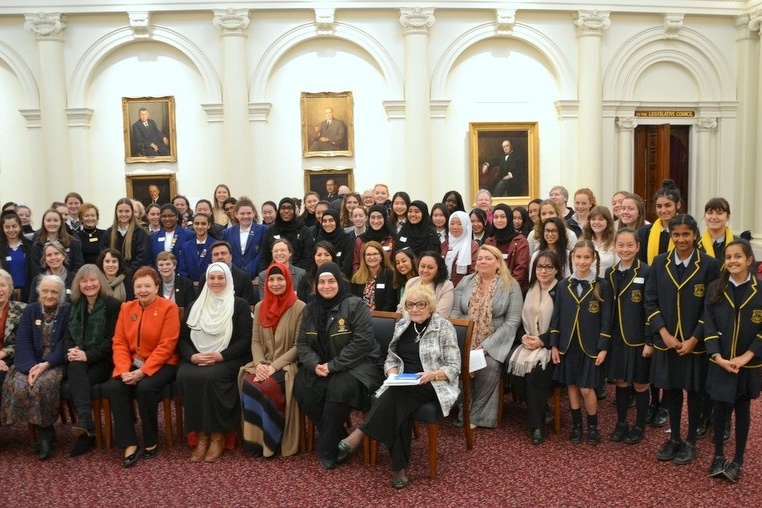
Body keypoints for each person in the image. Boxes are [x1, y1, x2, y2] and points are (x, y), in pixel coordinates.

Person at [340, 285, 461, 488]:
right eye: (410, 304)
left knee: (396, 396)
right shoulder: (403, 325)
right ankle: (399, 468)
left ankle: (361, 432)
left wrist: (433, 374)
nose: (414, 309)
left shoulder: (444, 327)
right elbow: (391, 357)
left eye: (420, 304)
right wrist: (392, 372)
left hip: (433, 382)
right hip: (403, 382)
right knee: (399, 403)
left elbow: (454, 366)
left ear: (430, 306)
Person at [644, 214, 719, 466]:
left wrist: (695, 339)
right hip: (668, 341)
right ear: (671, 236)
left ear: (695, 235)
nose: (681, 239)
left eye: (686, 234)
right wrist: (663, 333)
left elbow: (710, 307)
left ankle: (690, 441)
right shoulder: (659, 262)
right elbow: (650, 301)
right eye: (676, 234)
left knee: (695, 392)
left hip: (693, 344)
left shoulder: (709, 265)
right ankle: (674, 438)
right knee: (672, 390)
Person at [293, 262, 383, 470]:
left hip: (359, 366)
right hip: (322, 365)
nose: (326, 286)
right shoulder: (310, 309)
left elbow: (362, 343)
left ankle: (328, 449)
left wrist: (333, 366)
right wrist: (315, 365)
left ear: (339, 282)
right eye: (321, 282)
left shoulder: (355, 305)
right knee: (303, 385)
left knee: (338, 388)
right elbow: (302, 343)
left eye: (331, 281)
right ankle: (339, 436)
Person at [105, 266, 180, 467]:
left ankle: (150, 439)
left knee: (146, 387)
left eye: (148, 286)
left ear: (157, 287)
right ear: (133, 288)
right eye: (139, 286)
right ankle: (129, 442)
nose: (143, 290)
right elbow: (119, 342)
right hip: (131, 363)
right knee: (114, 387)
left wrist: (141, 372)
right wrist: (123, 371)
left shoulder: (169, 308)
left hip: (163, 363)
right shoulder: (126, 308)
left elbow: (167, 345)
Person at [177, 263, 253, 462]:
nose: (216, 282)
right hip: (197, 356)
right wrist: (192, 356)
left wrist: (222, 356)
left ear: (228, 280)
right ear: (206, 281)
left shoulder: (239, 305)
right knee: (186, 374)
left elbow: (246, 340)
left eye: (221, 278)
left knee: (211, 376)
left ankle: (218, 436)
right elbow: (183, 339)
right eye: (212, 278)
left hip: (231, 357)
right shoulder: (196, 305)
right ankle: (201, 437)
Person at [704, 240, 762, 483]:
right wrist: (718, 357)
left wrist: (746, 356)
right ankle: (718, 455)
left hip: (748, 364)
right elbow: (709, 325)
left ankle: (737, 459)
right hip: (721, 361)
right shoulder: (716, 287)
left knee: (742, 409)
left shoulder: (760, 290)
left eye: (738, 256)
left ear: (749, 259)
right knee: (719, 409)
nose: (733, 261)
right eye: (728, 257)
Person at [451, 244, 523, 428]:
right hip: (466, 338)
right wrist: (467, 338)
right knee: (460, 364)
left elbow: (512, 321)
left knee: (489, 365)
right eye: (480, 258)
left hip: (496, 340)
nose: (483, 261)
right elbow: (455, 312)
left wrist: (486, 346)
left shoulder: (511, 285)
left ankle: (476, 416)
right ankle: (464, 411)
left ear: (498, 262)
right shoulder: (466, 282)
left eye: (488, 258)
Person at [550, 240, 614, 445]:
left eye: (587, 257)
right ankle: (577, 425)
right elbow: (557, 317)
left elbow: (607, 320)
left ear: (593, 259)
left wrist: (603, 347)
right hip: (568, 344)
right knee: (572, 386)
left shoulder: (602, 286)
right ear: (572, 258)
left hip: (591, 346)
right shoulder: (563, 285)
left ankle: (593, 426)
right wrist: (553, 344)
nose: (582, 261)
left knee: (587, 388)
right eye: (579, 257)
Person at [239, 263, 306, 457]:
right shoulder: (260, 306)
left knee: (264, 386)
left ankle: (271, 440)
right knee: (248, 381)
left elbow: (298, 346)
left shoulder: (299, 307)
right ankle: (255, 442)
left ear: (288, 280)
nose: (275, 283)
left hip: (287, 365)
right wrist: (260, 364)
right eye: (271, 280)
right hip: (263, 362)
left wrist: (274, 367)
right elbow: (256, 340)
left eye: (280, 279)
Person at [0, 275, 71, 460]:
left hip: (54, 363)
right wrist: (31, 367)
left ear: (61, 294)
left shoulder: (67, 311)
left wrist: (45, 365)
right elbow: (22, 341)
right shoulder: (30, 310)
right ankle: (44, 434)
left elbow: (66, 343)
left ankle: (45, 437)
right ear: (39, 292)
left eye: (54, 292)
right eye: (45, 291)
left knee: (40, 386)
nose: (49, 295)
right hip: (30, 362)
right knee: (19, 384)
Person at [637, 179, 683, 428]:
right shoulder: (645, 233)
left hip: (676, 298)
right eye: (659, 206)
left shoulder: (683, 231)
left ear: (677, 205)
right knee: (652, 353)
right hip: (651, 295)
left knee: (670, 354)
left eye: (668, 205)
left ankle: (666, 403)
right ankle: (654, 402)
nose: (663, 210)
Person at [64, 265, 122, 456]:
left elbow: (112, 341)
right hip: (79, 360)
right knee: (75, 368)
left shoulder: (113, 305)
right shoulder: (74, 305)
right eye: (84, 281)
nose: (89, 284)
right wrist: (72, 351)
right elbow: (68, 338)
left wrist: (87, 355)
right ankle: (87, 423)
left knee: (77, 381)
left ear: (101, 281)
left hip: (105, 360)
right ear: (78, 284)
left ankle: (86, 432)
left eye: (93, 280)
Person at [507, 251, 561, 444]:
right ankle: (543, 411)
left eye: (548, 267)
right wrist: (523, 336)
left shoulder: (561, 290)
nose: (543, 271)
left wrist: (542, 340)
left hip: (552, 347)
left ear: (556, 270)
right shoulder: (527, 289)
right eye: (539, 267)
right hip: (527, 341)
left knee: (536, 374)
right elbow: (517, 319)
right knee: (510, 367)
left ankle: (536, 426)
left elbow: (564, 325)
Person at [605, 228, 652, 445]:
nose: (625, 249)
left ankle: (640, 425)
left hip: (639, 339)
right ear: (615, 246)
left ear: (638, 247)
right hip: (617, 340)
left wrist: (650, 340)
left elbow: (651, 308)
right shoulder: (610, 273)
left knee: (640, 384)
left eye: (630, 245)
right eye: (621, 245)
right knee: (621, 383)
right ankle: (622, 422)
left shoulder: (646, 272)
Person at [696, 197, 737, 439]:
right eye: (710, 212)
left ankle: (725, 421)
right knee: (704, 373)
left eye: (719, 213)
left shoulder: (738, 245)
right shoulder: (697, 245)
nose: (714, 217)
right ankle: (704, 416)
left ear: (727, 217)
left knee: (726, 373)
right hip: (704, 313)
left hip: (730, 315)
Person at [259, 198, 314, 272]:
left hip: (298, 275)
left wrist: (298, 275)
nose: (286, 211)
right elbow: (265, 258)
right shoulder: (271, 231)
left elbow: (307, 258)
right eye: (283, 208)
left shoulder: (304, 231)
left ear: (294, 210)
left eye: (289, 208)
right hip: (274, 273)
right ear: (279, 211)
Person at [100, 198, 151, 275]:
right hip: (113, 276)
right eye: (120, 211)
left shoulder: (140, 233)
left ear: (132, 212)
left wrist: (126, 273)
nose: (123, 214)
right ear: (116, 213)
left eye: (127, 211)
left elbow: (141, 258)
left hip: (133, 276)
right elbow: (103, 255)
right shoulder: (108, 233)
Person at [486, 204, 530, 290]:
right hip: (491, 288)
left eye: (503, 217)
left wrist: (506, 287)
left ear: (509, 218)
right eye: (496, 217)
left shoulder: (520, 241)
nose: (499, 220)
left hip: (513, 289)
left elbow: (521, 269)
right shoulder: (489, 241)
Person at [222, 198, 268, 279]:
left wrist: (247, 272)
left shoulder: (263, 230)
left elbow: (262, 254)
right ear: (236, 214)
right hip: (233, 276)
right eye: (242, 213)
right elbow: (226, 255)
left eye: (249, 213)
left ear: (254, 213)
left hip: (255, 276)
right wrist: (237, 273)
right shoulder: (227, 233)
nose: (245, 216)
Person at [199, 241, 257, 305]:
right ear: (212, 258)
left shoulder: (243, 277)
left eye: (223, 253)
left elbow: (249, 305)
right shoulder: (205, 278)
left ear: (231, 256)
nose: (220, 257)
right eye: (216, 254)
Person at [30, 208, 84, 277]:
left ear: (61, 222)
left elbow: (78, 266)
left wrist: (68, 280)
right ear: (43, 223)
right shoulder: (37, 244)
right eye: (48, 220)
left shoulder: (73, 242)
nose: (52, 223)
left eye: (55, 220)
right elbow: (36, 270)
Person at [402, 252, 454, 318]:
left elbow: (441, 314)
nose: (425, 270)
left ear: (438, 270)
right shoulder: (411, 282)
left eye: (430, 267)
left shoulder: (446, 285)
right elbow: (401, 308)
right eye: (422, 266)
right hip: (407, 323)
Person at [350, 241, 396, 312]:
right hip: (361, 318)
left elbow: (390, 302)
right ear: (364, 258)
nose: (372, 257)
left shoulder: (389, 274)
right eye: (368, 255)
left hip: (383, 318)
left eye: (375, 254)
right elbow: (354, 302)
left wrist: (380, 318)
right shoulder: (357, 277)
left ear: (381, 256)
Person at [0, 269, 26, 391]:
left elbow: (23, 341)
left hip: (11, 359)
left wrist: (3, 354)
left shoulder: (23, 309)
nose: (0, 289)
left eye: (3, 285)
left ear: (10, 288)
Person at [0, 212, 34, 301]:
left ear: (20, 226)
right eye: (7, 227)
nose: (11, 230)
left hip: (28, 293)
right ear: (3, 229)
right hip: (5, 294)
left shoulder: (30, 246)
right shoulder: (1, 248)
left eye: (14, 226)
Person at [353, 204, 395, 272]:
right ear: (368, 219)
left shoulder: (392, 239)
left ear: (384, 218)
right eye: (373, 217)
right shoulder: (360, 240)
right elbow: (356, 265)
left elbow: (394, 263)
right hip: (364, 279)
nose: (376, 221)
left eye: (379, 217)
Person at [442, 211, 478, 287]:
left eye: (459, 223)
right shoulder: (444, 244)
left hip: (463, 290)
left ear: (466, 225)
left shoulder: (473, 247)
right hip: (443, 288)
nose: (455, 227)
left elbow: (474, 273)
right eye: (452, 223)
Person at [314, 209, 353, 277]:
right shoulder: (319, 239)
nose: (327, 224)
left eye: (331, 220)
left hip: (341, 278)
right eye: (324, 221)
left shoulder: (346, 240)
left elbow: (346, 265)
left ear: (337, 221)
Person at [177, 212, 215, 283]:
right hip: (190, 287)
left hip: (210, 285)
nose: (200, 227)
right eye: (197, 223)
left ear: (209, 225)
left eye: (203, 224)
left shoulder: (215, 245)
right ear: (193, 225)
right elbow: (182, 269)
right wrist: (190, 283)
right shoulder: (185, 246)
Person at [581, 206, 618, 276]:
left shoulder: (615, 242)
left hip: (607, 284)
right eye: (593, 219)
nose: (596, 222)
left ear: (608, 222)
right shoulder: (582, 241)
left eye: (601, 219)